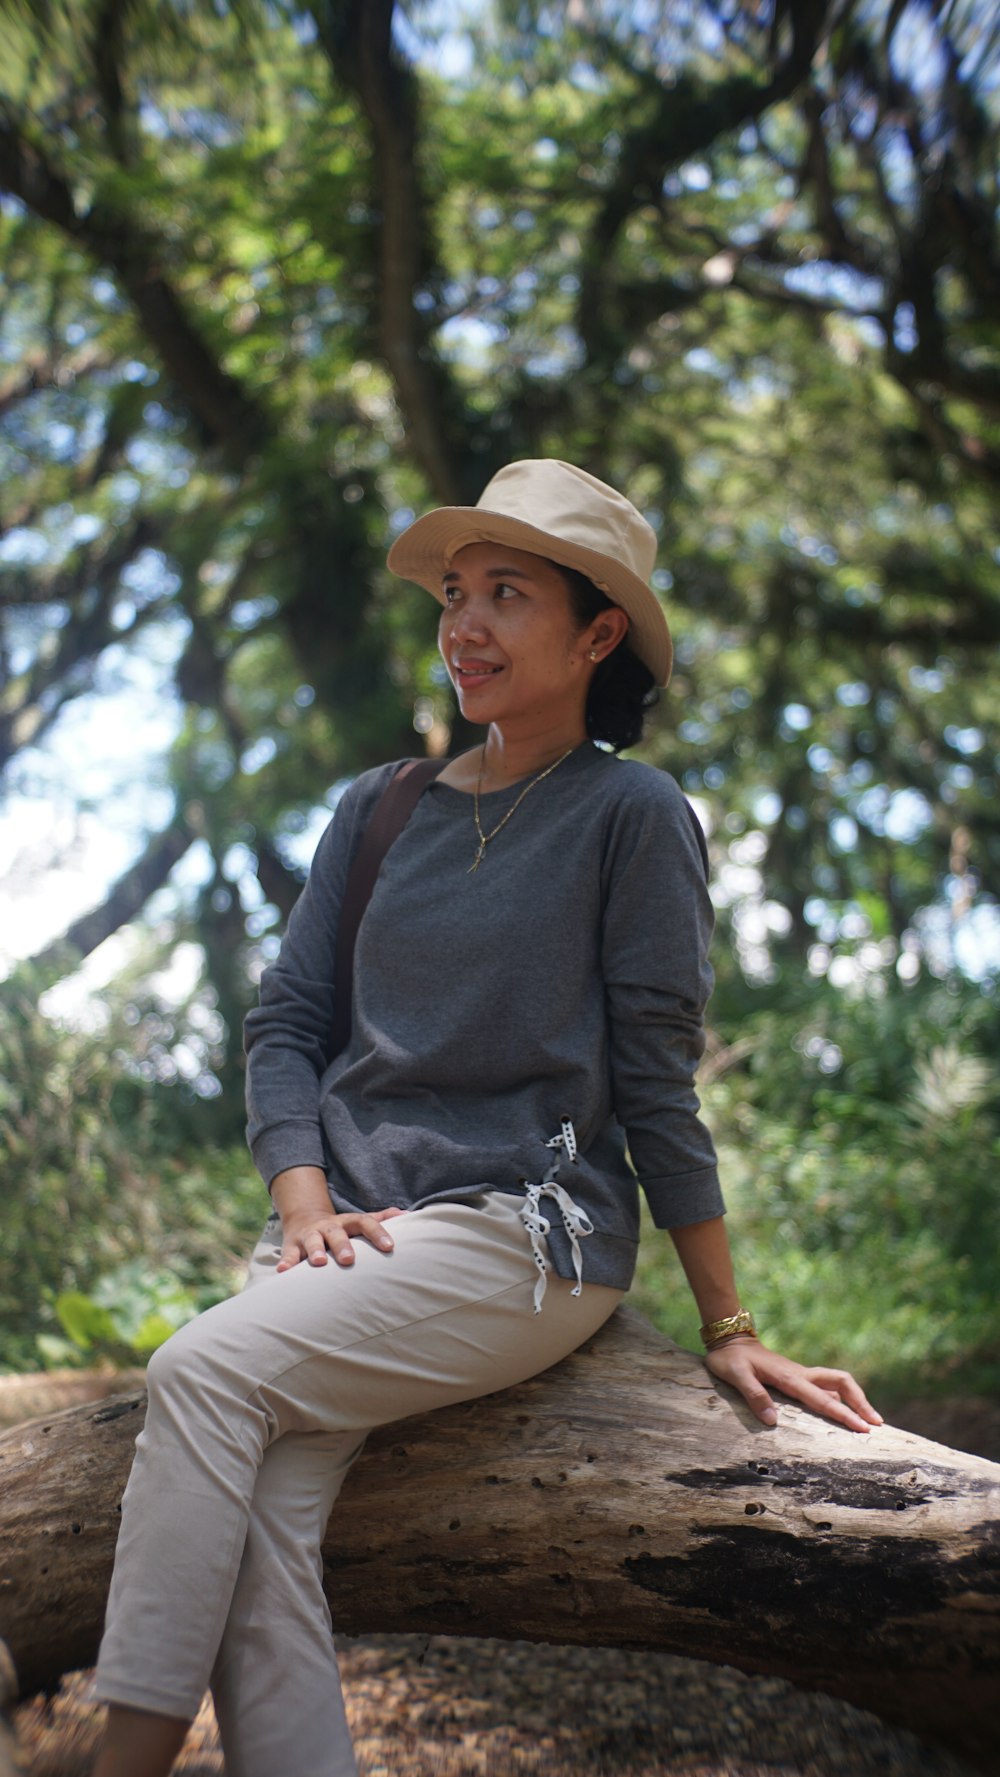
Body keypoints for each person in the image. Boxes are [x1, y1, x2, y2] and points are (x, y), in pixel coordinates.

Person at [92, 459, 881, 1777]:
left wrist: (730, 1323)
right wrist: (301, 1199)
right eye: (455, 593)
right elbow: (287, 1023)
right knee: (265, 1521)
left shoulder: (631, 815)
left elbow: (655, 1077)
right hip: (340, 1231)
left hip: (524, 1228)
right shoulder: (379, 807)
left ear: (596, 632)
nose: (463, 623)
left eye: (505, 593)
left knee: (199, 1370)